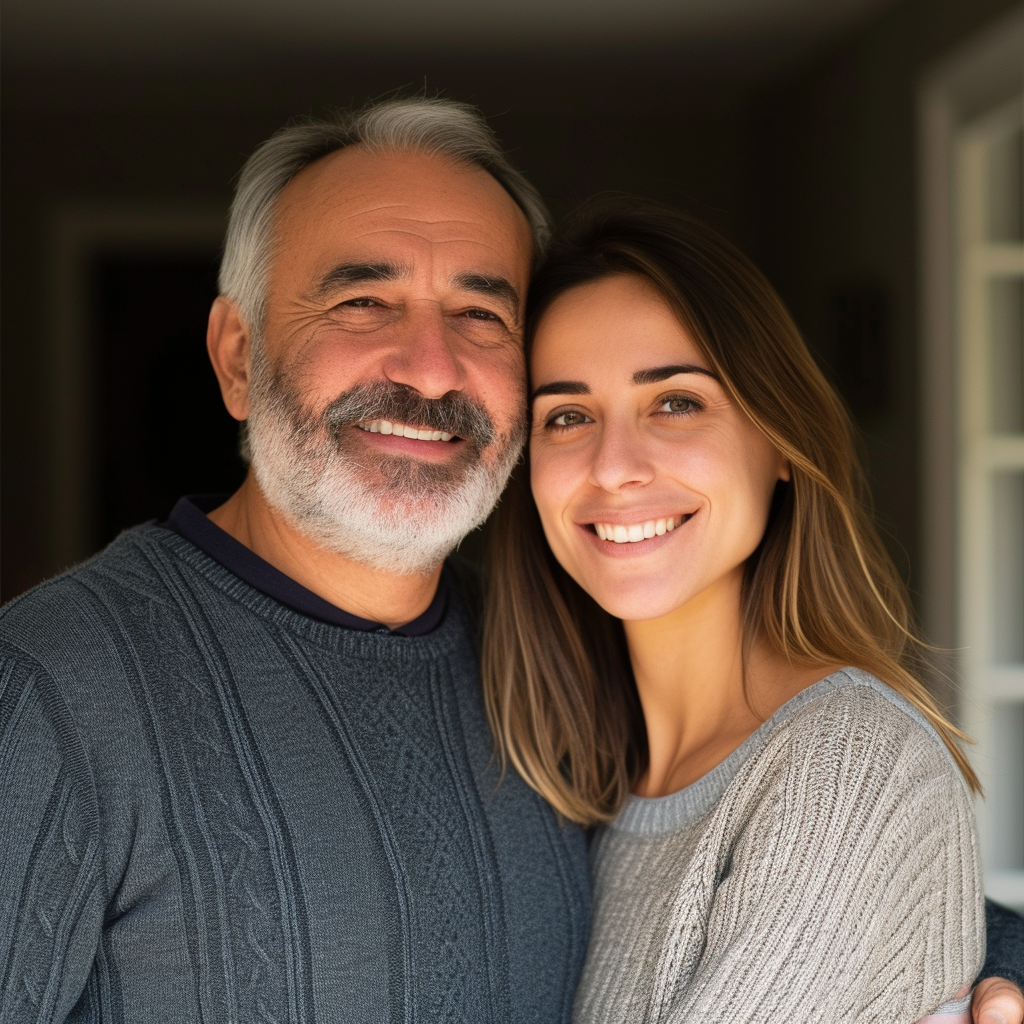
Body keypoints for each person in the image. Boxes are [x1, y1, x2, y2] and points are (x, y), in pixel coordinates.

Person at [0, 98, 1020, 1023]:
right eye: (364, 301)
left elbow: (836, 843)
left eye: (482, 315)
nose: (430, 368)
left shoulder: (546, 678)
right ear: (236, 355)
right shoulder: (50, 687)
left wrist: (995, 958)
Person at [483, 197, 1024, 1022]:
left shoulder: (850, 762)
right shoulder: (573, 782)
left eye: (675, 402)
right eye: (567, 416)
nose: (614, 466)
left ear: (778, 441)